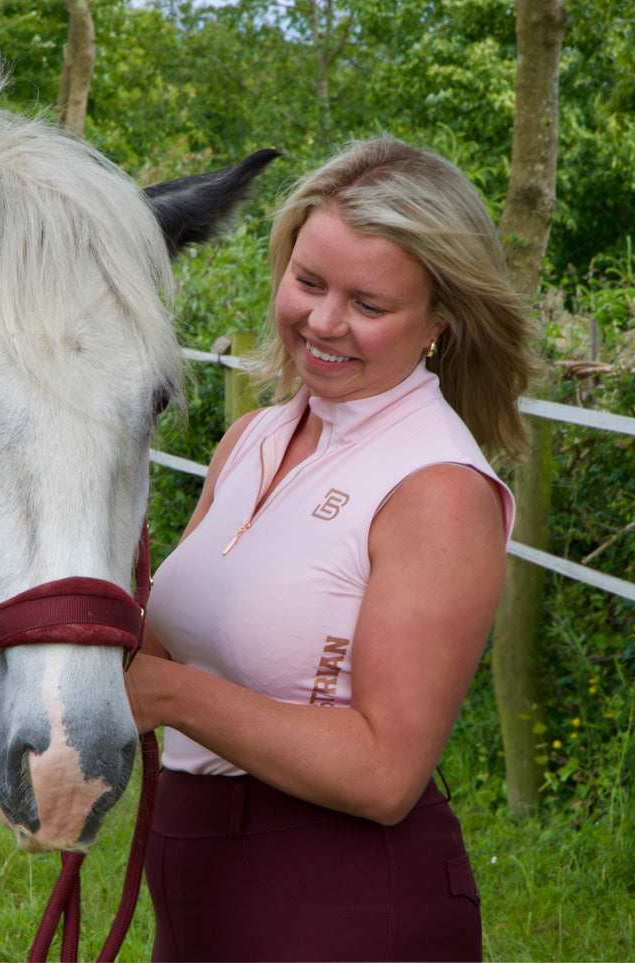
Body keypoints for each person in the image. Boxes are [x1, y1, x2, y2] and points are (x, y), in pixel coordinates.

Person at [124, 135, 544, 962]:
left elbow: (387, 772)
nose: (321, 321)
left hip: (340, 902)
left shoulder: (436, 488)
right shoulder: (251, 438)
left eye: (368, 304)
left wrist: (172, 695)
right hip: (197, 891)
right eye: (307, 281)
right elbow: (154, 648)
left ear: (439, 321)